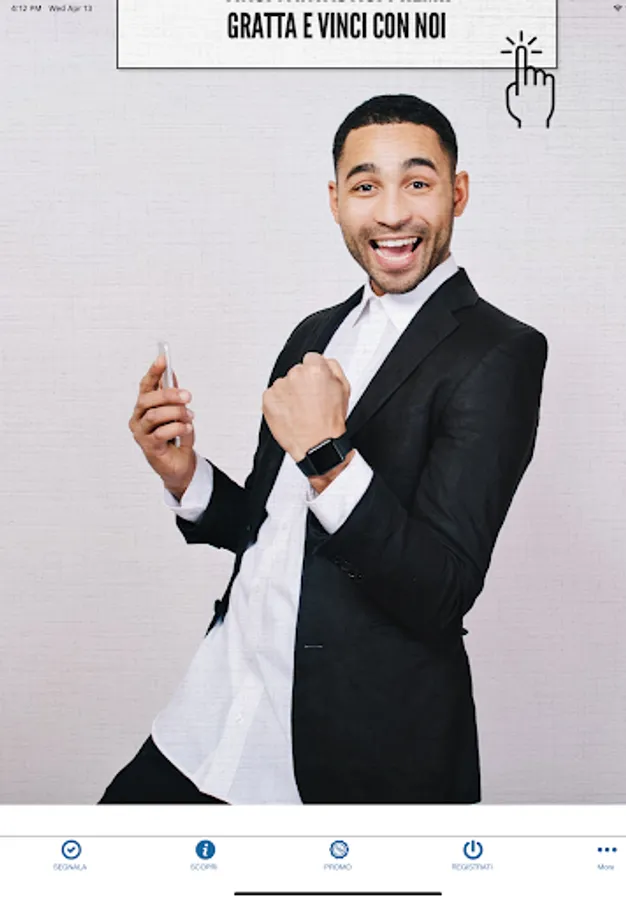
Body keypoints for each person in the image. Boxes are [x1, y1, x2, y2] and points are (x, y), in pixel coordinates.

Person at [100, 94, 548, 805]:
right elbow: (273, 533)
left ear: (457, 193)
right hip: (211, 716)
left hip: (350, 757)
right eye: (366, 186)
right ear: (336, 201)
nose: (392, 213)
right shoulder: (314, 332)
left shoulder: (499, 352)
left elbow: (440, 591)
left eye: (418, 182)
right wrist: (186, 477)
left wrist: (326, 456)